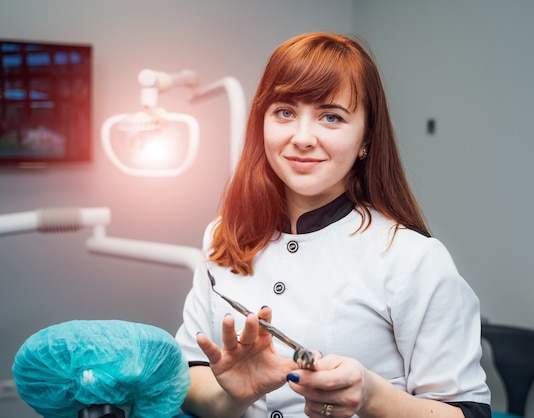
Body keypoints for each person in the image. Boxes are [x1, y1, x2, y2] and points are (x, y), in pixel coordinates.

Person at [175, 31, 491, 418]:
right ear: (262, 123)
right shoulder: (225, 237)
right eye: (285, 112)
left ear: (366, 139)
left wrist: (373, 396)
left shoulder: (413, 259)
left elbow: (469, 412)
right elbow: (190, 376)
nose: (302, 138)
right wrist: (235, 396)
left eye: (331, 117)